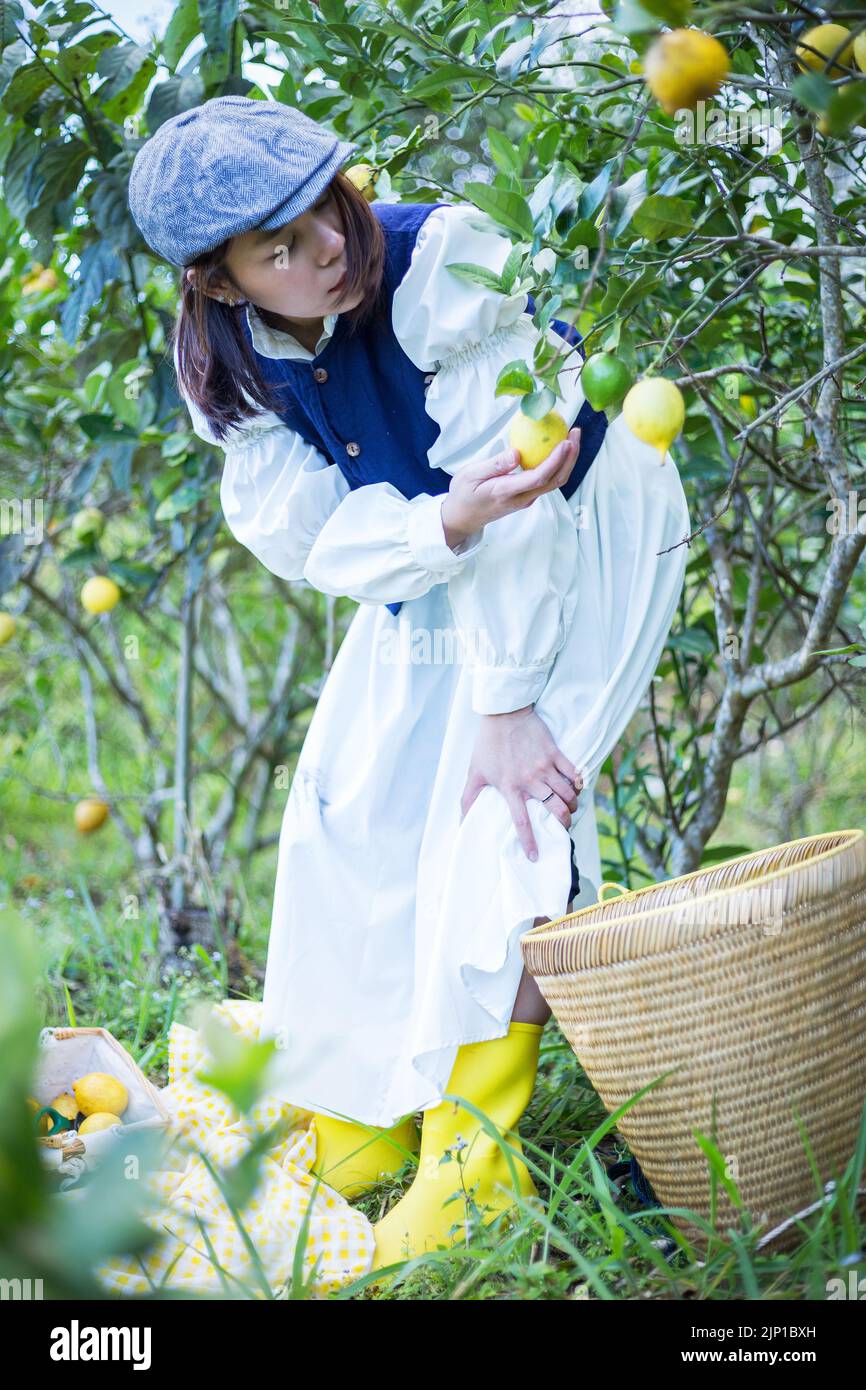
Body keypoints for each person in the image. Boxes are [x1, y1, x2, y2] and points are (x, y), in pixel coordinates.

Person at [128, 95, 691, 1270]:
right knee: (351, 806)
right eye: (279, 248)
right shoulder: (223, 362)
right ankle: (360, 1105)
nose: (327, 248)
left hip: (577, 534)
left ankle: (470, 1158)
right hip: (436, 546)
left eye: (322, 211)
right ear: (221, 282)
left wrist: (505, 703)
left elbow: (524, 496)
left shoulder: (442, 263)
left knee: (506, 817)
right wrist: (438, 523)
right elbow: (309, 530)